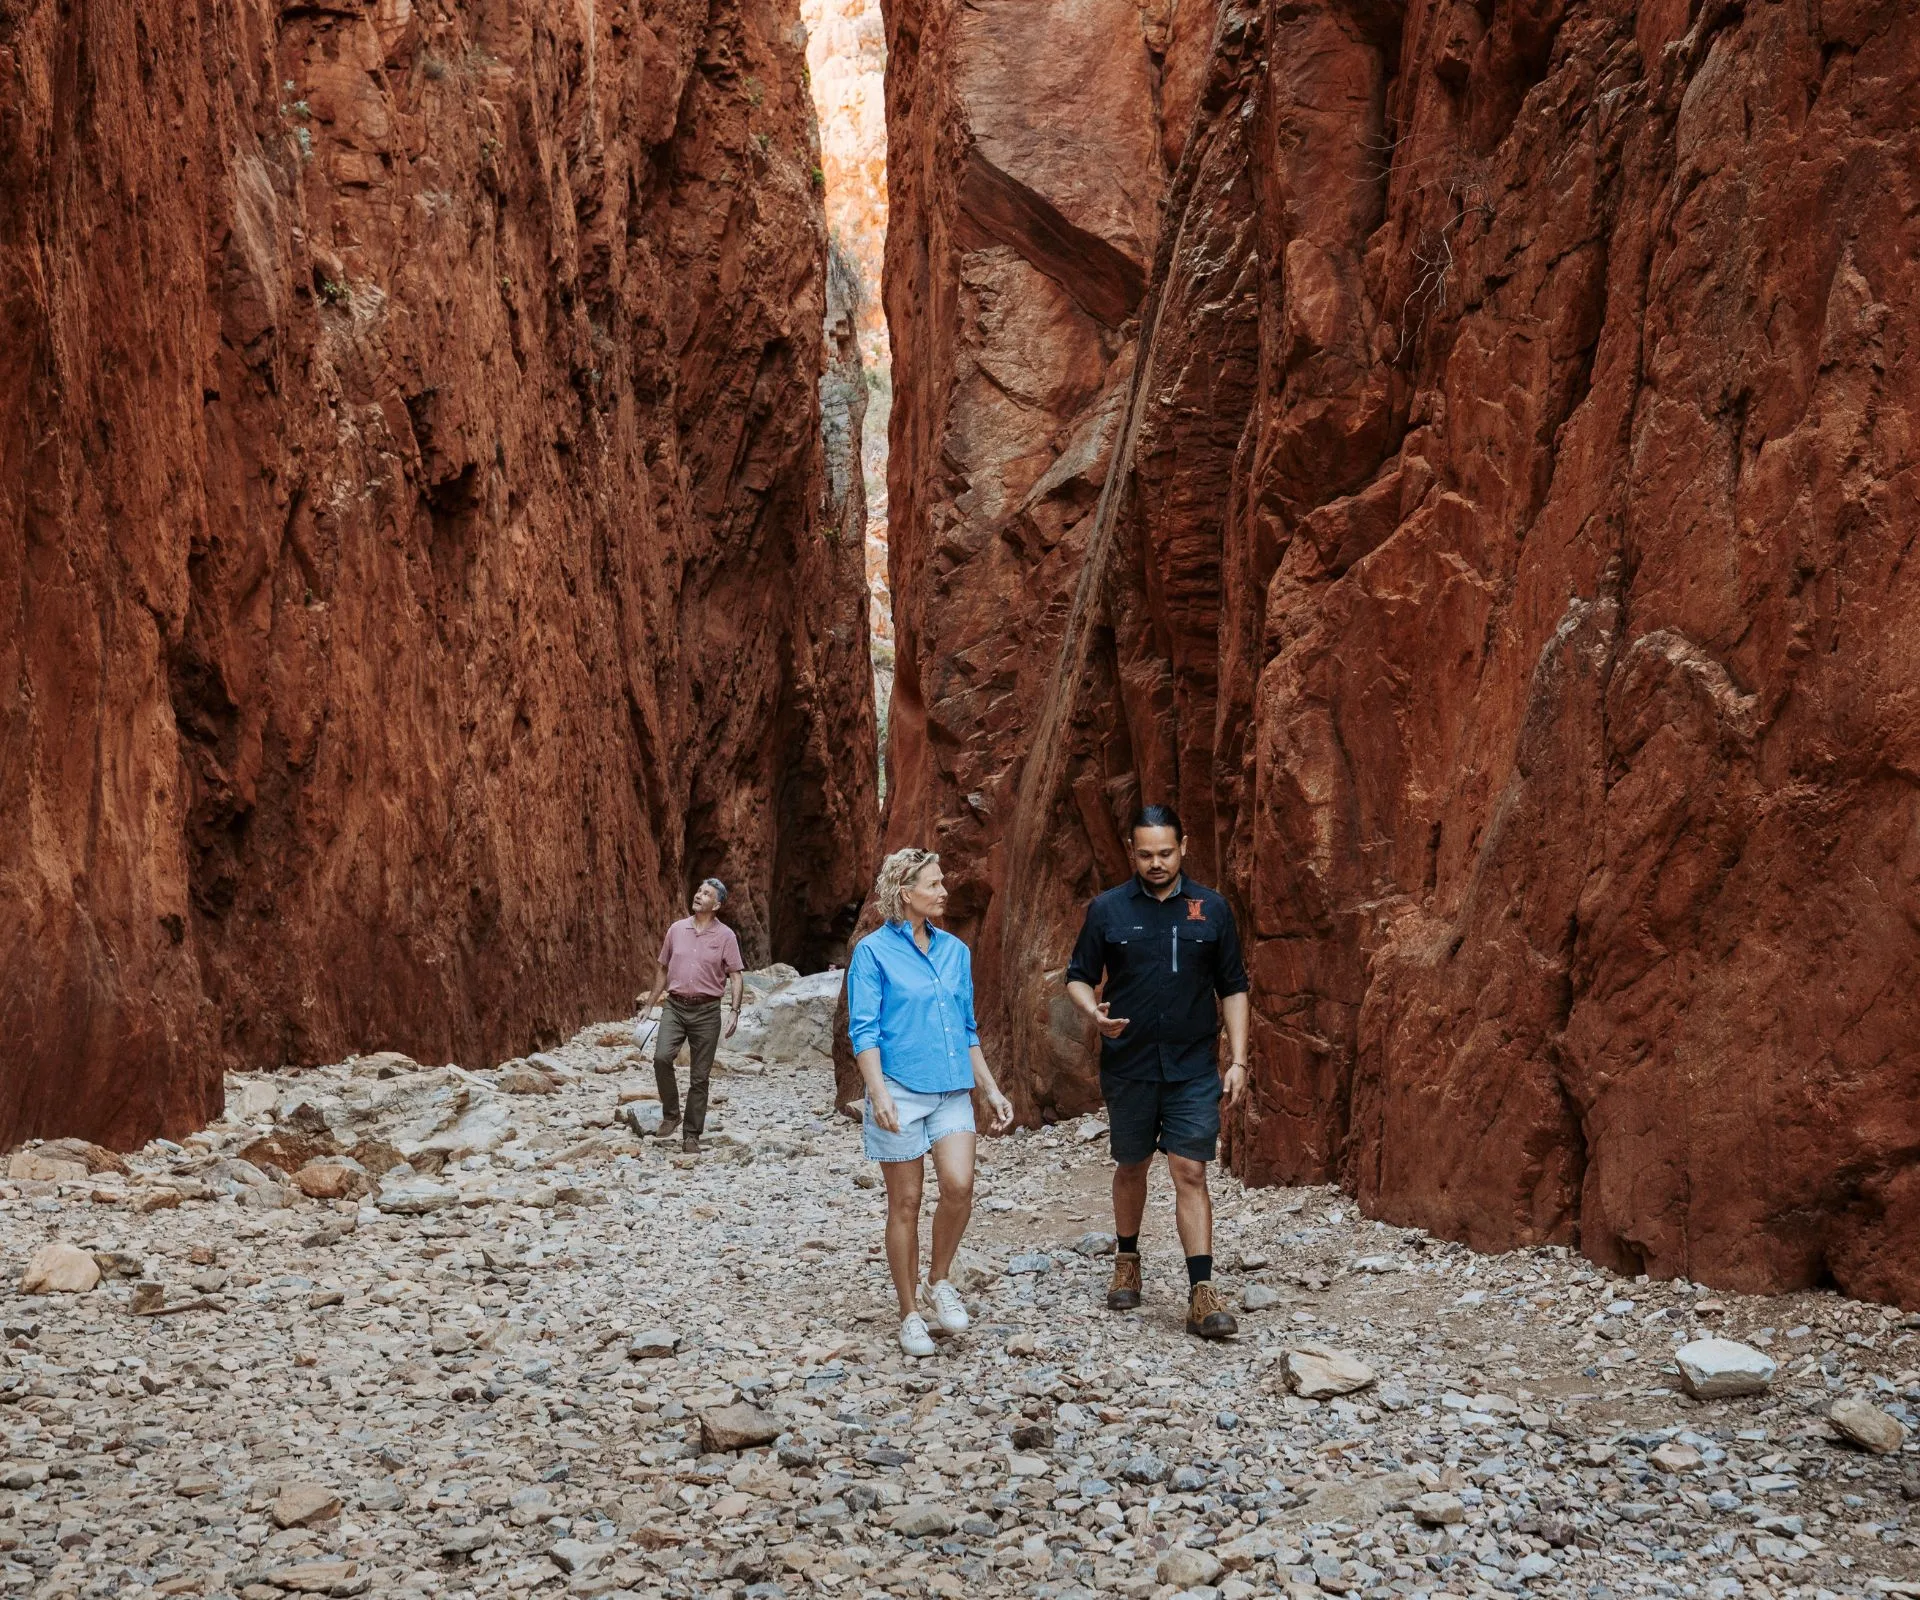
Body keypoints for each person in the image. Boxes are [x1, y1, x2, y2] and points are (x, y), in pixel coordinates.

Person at [1064, 805, 1250, 1339]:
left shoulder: (1211, 910)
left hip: (1193, 1066)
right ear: (1131, 851)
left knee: (1190, 1171)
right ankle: (1127, 1257)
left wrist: (1238, 1060)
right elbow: (1079, 976)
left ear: (1183, 847)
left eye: (1165, 853)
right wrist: (1091, 1012)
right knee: (1132, 1163)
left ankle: (1201, 1292)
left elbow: (1233, 986)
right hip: (1130, 1065)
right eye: (1145, 854)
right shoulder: (1107, 910)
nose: (1156, 863)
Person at [847, 847, 1014, 1357]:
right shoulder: (873, 953)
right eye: (934, 884)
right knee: (905, 1203)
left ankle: (939, 1281)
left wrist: (988, 1087)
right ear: (906, 893)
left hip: (950, 1092)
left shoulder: (955, 952)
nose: (944, 892)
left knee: (960, 1186)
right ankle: (909, 1314)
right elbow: (864, 1030)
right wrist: (877, 1094)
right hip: (897, 1090)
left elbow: (966, 1029)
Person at [638, 877, 745, 1154]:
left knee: (700, 1076)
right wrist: (650, 1004)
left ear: (717, 904)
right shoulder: (676, 930)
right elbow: (662, 969)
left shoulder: (726, 937)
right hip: (674, 1006)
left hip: (708, 1011)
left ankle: (691, 1135)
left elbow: (735, 975)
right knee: (661, 1058)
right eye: (698, 890)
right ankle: (671, 1114)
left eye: (706, 893)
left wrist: (734, 1011)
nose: (698, 895)